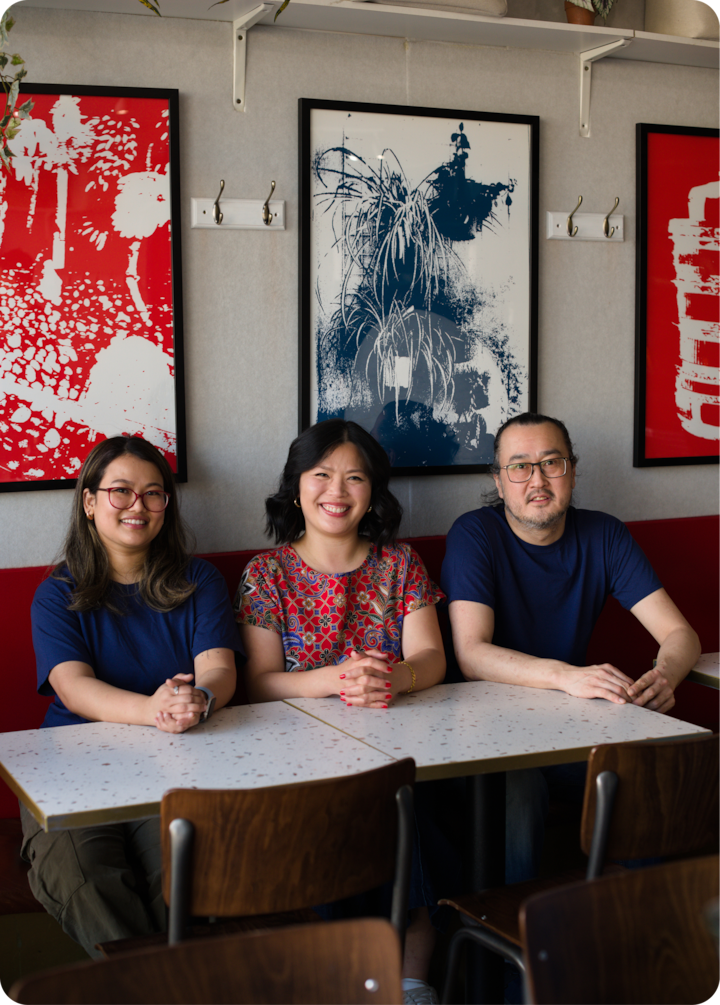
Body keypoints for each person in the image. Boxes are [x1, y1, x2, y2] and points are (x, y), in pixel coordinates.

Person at [441, 411, 701, 886]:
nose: (536, 479)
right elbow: (471, 653)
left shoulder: (604, 534)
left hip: (569, 728)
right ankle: (510, 952)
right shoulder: (474, 534)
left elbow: (681, 636)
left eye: (551, 463)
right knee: (518, 795)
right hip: (481, 737)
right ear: (499, 482)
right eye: (519, 466)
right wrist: (567, 675)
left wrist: (666, 675)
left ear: (573, 472)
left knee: (668, 769)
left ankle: (651, 928)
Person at [235, 418, 446, 1005]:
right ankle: (339, 979)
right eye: (322, 475)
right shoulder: (266, 573)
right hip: (298, 758)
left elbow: (432, 657)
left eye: (355, 478)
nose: (337, 491)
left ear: (374, 492)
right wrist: (328, 680)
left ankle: (412, 983)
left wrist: (397, 678)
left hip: (395, 741)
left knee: (407, 798)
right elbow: (258, 683)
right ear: (296, 487)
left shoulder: (399, 564)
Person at [22, 435, 240, 957]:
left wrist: (201, 701)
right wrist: (152, 709)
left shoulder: (199, 580)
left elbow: (219, 669)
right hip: (72, 769)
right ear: (90, 501)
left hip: (176, 764)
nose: (137, 506)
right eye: (120, 492)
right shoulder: (56, 593)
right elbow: (72, 688)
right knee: (85, 875)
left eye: (153, 493)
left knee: (181, 870)